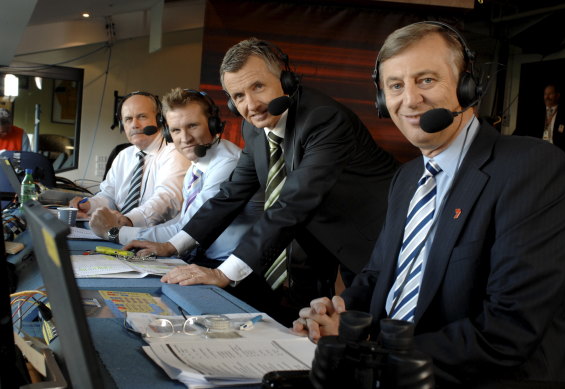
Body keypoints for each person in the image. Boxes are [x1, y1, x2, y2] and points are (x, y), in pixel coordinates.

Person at [293, 22, 565, 386]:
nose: (409, 100)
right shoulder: (407, 177)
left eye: (426, 80)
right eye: (395, 86)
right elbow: (380, 273)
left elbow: (510, 329)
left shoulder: (531, 167)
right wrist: (340, 310)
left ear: (467, 86)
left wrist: (369, 351)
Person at [125, 38, 399, 323]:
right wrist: (173, 246)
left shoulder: (324, 119)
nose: (251, 105)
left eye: (258, 87)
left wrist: (223, 273)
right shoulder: (254, 128)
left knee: (376, 326)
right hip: (316, 239)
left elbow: (292, 203)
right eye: (239, 96)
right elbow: (232, 193)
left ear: (286, 80)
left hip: (373, 237)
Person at [90, 87, 262, 263]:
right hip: (201, 259)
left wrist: (114, 232)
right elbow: (180, 220)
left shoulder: (227, 163)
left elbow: (186, 228)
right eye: (176, 130)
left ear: (213, 124)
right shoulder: (197, 165)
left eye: (192, 126)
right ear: (168, 133)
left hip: (228, 267)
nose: (185, 138)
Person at [69, 91, 190, 242]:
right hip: (118, 234)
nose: (134, 124)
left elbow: (166, 199)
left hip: (153, 240)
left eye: (142, 116)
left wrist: (127, 220)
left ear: (159, 119)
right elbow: (108, 195)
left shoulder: (174, 153)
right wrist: (89, 205)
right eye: (128, 119)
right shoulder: (124, 155)